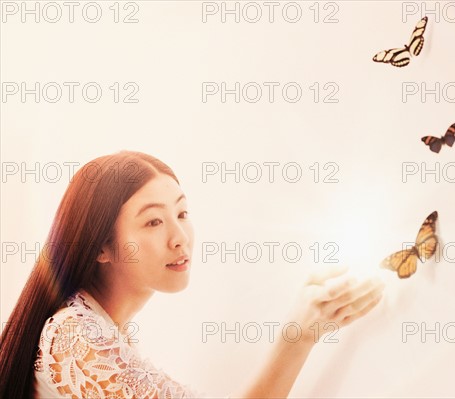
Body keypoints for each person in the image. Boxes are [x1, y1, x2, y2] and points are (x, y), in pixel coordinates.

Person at [0, 150, 384, 398]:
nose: (180, 237)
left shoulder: (107, 333)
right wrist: (296, 338)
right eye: (152, 222)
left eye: (182, 214)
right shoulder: (75, 333)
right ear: (101, 245)